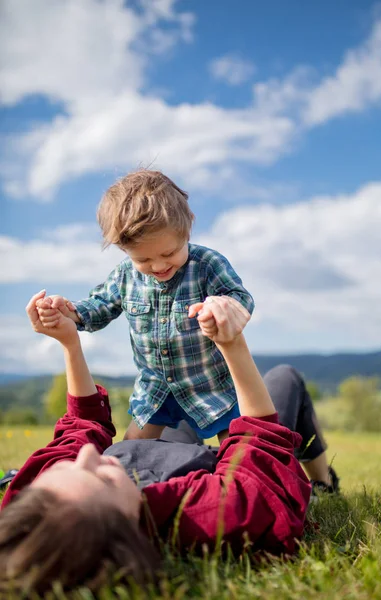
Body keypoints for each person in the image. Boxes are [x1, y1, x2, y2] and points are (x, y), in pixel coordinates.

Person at [0, 290, 313, 595]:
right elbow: (258, 447)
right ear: (131, 528)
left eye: (65, 469)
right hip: (206, 462)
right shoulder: (205, 513)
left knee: (180, 400)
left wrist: (70, 343)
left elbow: (82, 427)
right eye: (104, 479)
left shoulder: (42, 507)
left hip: (159, 448)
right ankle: (323, 478)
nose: (85, 455)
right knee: (285, 377)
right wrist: (231, 346)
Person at [37, 170, 254, 443]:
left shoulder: (207, 265)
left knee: (238, 450)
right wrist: (72, 312)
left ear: (188, 228)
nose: (159, 266)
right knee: (129, 453)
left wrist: (222, 307)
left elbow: (239, 297)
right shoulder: (126, 275)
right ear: (125, 251)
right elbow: (101, 305)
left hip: (209, 387)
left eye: (169, 253)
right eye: (144, 260)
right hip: (155, 392)